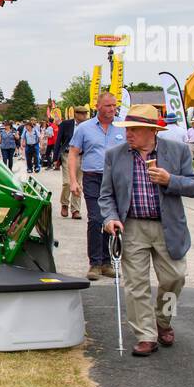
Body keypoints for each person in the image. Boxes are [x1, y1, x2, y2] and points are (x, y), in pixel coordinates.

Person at [98, 105, 194, 356]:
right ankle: (146, 334)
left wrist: (170, 180)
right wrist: (110, 218)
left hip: (168, 226)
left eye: (134, 129)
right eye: (127, 129)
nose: (128, 134)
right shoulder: (115, 154)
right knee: (136, 284)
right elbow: (106, 195)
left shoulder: (176, 150)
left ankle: (163, 320)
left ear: (151, 131)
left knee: (175, 278)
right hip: (132, 226)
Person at [69, 93, 126, 280]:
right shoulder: (84, 128)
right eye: (108, 106)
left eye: (114, 106)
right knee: (95, 219)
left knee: (112, 220)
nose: (112, 109)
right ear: (98, 106)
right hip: (93, 177)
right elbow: (73, 154)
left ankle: (107, 262)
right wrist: (73, 180)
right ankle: (94, 263)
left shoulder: (122, 127)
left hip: (116, 180)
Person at [57, 107, 82, 218]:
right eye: (81, 113)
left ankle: (75, 210)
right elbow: (58, 141)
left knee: (78, 183)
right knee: (67, 182)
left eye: (85, 114)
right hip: (67, 155)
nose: (84, 116)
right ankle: (64, 204)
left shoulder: (87, 126)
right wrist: (55, 159)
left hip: (81, 156)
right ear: (76, 114)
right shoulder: (65, 124)